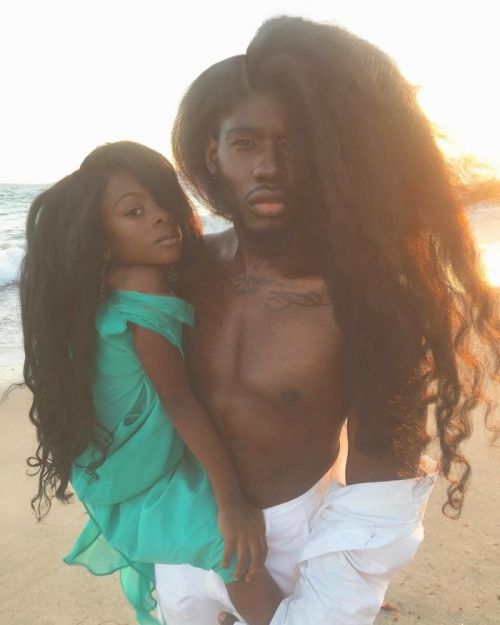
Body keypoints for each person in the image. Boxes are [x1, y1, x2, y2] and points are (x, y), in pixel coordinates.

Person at [155, 15, 500, 624]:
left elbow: (379, 482)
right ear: (213, 153)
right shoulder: (180, 274)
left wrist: (319, 606)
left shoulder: (367, 302)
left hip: (300, 546)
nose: (269, 165)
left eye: (295, 143)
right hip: (184, 532)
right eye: (246, 143)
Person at [20, 141, 285, 625]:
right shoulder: (144, 283)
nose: (162, 217)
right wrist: (232, 504)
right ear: (102, 241)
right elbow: (180, 403)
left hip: (107, 470)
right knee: (235, 550)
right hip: (139, 474)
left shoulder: (103, 292)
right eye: (134, 213)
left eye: (163, 203)